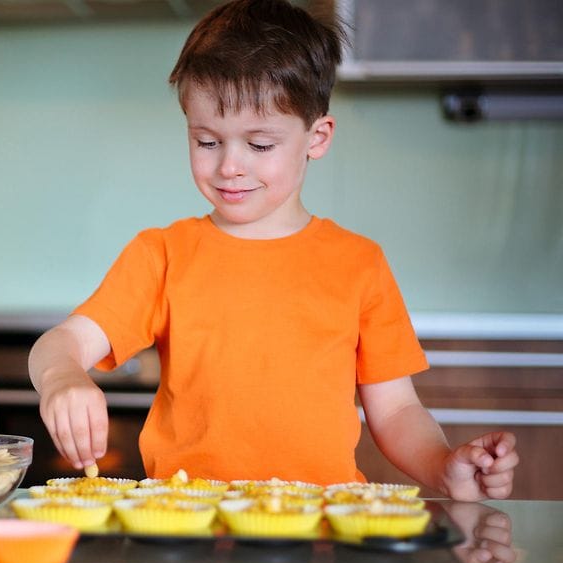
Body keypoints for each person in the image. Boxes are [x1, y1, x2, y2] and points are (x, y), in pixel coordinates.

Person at [27, 0, 518, 501]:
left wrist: (441, 468)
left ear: (317, 137)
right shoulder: (163, 254)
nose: (230, 167)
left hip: (321, 534)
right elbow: (59, 344)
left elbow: (394, 411)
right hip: (190, 528)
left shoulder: (358, 264)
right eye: (207, 141)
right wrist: (63, 377)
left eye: (259, 145)